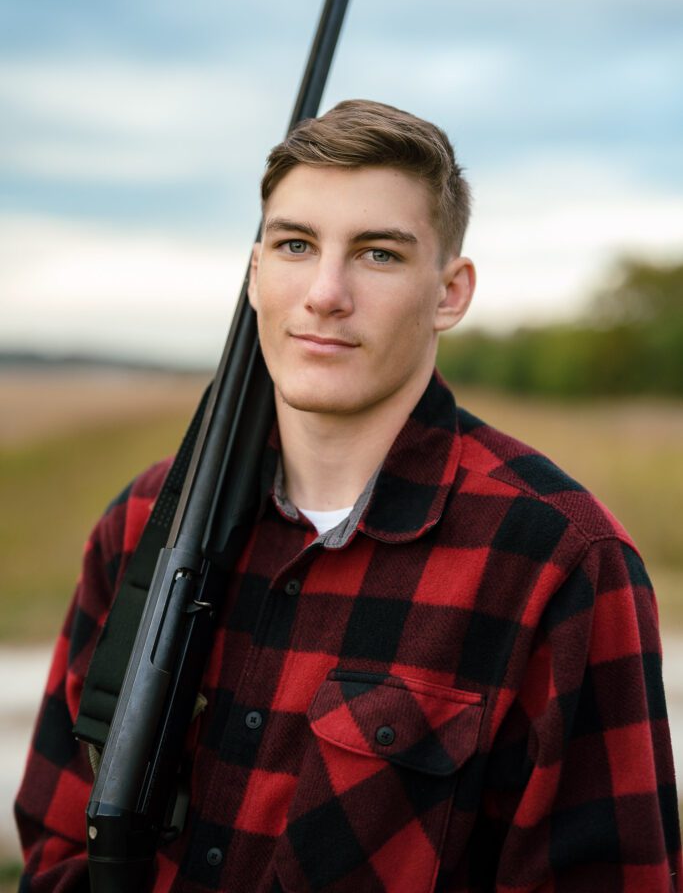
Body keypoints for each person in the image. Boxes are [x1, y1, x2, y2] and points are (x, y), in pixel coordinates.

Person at [15, 100, 682, 892]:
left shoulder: (556, 561)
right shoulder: (142, 522)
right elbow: (57, 849)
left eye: (377, 255)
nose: (325, 293)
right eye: (295, 244)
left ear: (449, 292)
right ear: (255, 274)